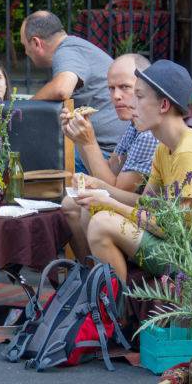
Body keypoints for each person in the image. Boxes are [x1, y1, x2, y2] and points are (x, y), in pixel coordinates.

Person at [76, 60, 192, 282]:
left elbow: (171, 229)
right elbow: (147, 203)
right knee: (92, 212)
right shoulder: (165, 147)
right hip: (184, 244)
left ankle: (112, 312)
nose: (131, 104)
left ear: (164, 105)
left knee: (102, 223)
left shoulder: (188, 152)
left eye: (139, 96)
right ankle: (98, 296)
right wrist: (101, 189)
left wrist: (110, 204)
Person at [60, 54, 158, 261]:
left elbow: (117, 189)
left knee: (89, 207)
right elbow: (109, 172)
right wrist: (78, 138)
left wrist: (89, 142)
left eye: (125, 87)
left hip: (150, 221)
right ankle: (89, 272)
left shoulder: (149, 133)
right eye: (112, 88)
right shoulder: (133, 126)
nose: (116, 96)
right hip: (135, 209)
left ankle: (103, 277)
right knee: (70, 204)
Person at [20, 10, 129, 173]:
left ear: (36, 43)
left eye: (25, 46)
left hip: (108, 155)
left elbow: (61, 88)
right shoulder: (74, 47)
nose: (25, 52)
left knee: (25, 159)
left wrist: (22, 110)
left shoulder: (66, 51)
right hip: (106, 149)